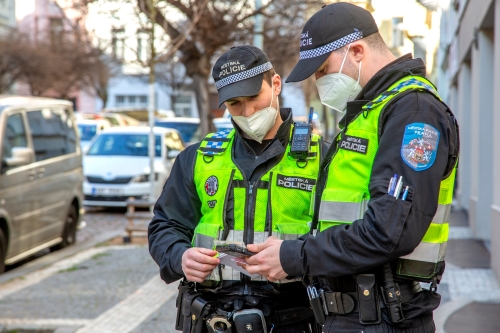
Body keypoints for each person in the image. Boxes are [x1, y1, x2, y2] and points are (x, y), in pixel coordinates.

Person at [244, 3, 460, 333]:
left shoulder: (413, 112)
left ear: (356, 51)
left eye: (322, 69)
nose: (318, 80)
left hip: (385, 316)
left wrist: (295, 256)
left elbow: (390, 231)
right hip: (358, 315)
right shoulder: (373, 110)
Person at [148, 45, 328, 333]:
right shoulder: (197, 158)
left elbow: (341, 237)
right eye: (234, 104)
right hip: (212, 317)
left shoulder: (322, 159)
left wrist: (295, 256)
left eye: (254, 97)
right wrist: (179, 256)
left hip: (293, 318)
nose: (247, 111)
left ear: (276, 84)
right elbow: (165, 226)